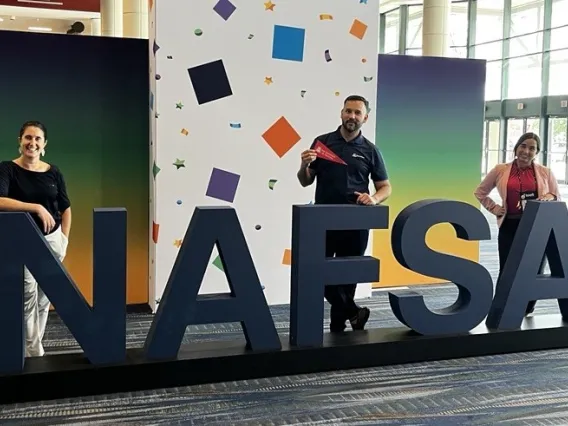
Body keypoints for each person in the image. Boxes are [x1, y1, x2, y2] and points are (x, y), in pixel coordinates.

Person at [297, 95, 391, 332]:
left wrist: (374, 198)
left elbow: (385, 187)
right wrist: (303, 166)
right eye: (348, 111)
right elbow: (305, 181)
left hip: (356, 221)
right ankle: (353, 312)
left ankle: (338, 326)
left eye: (358, 113)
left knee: (348, 277)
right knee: (320, 273)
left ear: (365, 118)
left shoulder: (371, 150)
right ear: (341, 113)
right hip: (322, 221)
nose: (352, 116)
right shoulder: (322, 142)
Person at [0, 121, 72, 357]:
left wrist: (64, 239)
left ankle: (33, 346)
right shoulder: (7, 169)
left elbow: (65, 207)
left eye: (37, 139)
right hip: (24, 242)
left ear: (44, 145)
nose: (32, 143)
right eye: (28, 138)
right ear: (20, 141)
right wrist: (36, 208)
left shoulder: (54, 171)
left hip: (52, 241)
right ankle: (34, 350)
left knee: (44, 298)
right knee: (27, 295)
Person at [474, 132, 559, 315]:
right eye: (523, 146)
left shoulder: (545, 172)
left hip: (537, 227)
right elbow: (480, 192)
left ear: (536, 152)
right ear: (516, 147)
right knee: (507, 268)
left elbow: (556, 196)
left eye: (532, 148)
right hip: (510, 226)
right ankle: (502, 307)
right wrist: (495, 208)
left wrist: (548, 196)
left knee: (534, 268)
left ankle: (527, 308)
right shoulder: (500, 170)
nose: (526, 151)